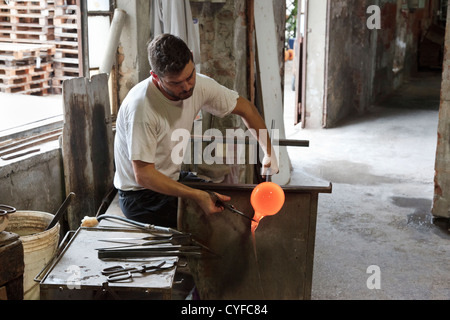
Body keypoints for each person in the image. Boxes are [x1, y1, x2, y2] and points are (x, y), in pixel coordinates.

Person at [113, 33, 278, 228]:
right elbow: (144, 174)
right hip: (141, 196)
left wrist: (269, 151)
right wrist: (197, 195)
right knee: (219, 222)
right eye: (175, 83)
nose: (187, 86)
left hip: (172, 178)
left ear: (192, 57)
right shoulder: (141, 107)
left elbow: (246, 109)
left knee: (229, 202)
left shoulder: (199, 84)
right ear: (155, 76)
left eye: (189, 76)